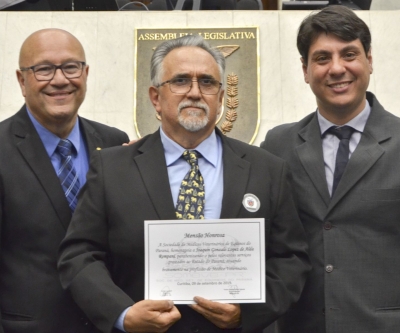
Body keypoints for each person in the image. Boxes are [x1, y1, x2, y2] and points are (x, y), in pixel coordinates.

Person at [58, 34, 310, 333]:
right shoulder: (112, 168)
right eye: (180, 81)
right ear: (155, 97)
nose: (194, 92)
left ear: (221, 96)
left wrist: (248, 313)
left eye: (207, 82)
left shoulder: (267, 169)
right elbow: (79, 254)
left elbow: (291, 259)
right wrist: (122, 314)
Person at [261, 5, 400, 333]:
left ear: (369, 60)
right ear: (306, 70)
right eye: (322, 58)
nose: (337, 69)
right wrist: (166, 146)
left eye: (349, 54)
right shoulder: (277, 145)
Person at [0, 28, 129, 333]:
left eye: (71, 67)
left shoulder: (115, 143)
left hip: (107, 326)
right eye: (43, 69)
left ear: (85, 73)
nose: (60, 80)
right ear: (21, 80)